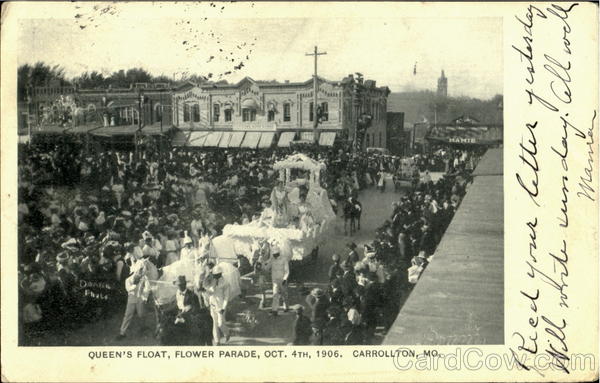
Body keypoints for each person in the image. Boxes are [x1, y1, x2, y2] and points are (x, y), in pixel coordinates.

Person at [116, 261, 149, 340]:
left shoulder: (144, 278)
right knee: (127, 315)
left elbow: (147, 288)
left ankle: (143, 327)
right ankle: (122, 332)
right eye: (139, 270)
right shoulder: (128, 280)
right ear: (135, 271)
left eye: (141, 270)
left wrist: (145, 297)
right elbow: (128, 289)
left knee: (141, 314)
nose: (140, 272)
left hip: (140, 299)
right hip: (131, 300)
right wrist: (135, 284)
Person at [204, 265, 231, 345]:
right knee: (214, 324)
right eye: (214, 275)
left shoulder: (225, 283)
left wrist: (223, 307)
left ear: (220, 274)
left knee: (221, 323)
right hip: (212, 305)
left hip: (220, 306)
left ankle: (227, 333)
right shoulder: (211, 281)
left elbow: (226, 296)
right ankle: (217, 341)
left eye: (216, 275)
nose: (215, 276)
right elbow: (208, 292)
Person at [265, 243, 289, 316]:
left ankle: (286, 306)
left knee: (284, 294)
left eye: (276, 254)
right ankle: (274, 310)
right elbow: (267, 267)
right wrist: (263, 264)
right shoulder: (272, 259)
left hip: (282, 280)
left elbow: (287, 270)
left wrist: (285, 279)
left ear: (279, 253)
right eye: (274, 254)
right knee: (275, 294)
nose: (275, 256)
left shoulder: (284, 259)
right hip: (275, 280)